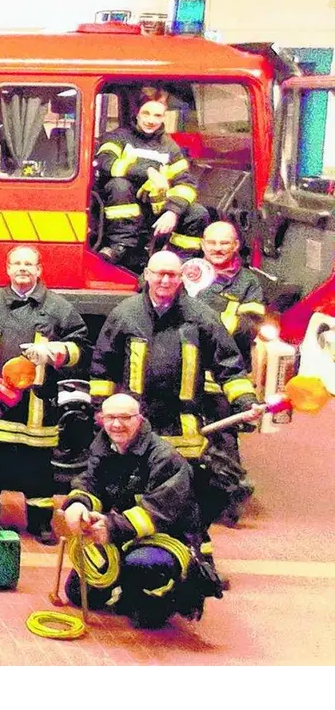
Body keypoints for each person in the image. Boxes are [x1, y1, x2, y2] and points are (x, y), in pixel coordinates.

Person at [90, 250, 265, 565]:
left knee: (187, 501)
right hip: (135, 428)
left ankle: (199, 564)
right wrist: (103, 413)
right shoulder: (124, 315)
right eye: (159, 273)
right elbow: (103, 367)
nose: (165, 280)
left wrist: (245, 401)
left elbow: (229, 366)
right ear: (146, 274)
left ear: (182, 277)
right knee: (131, 494)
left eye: (172, 274)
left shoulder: (200, 317)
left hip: (181, 429)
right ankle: (126, 559)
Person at [0, 244, 90, 545]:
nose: (22, 269)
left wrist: (55, 351)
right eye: (16, 263)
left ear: (39, 270)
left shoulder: (59, 308)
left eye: (28, 264)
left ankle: (42, 521)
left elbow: (82, 347)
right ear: (7, 269)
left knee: (38, 466)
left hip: (38, 406)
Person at [60, 394, 224, 629]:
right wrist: (78, 505)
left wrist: (110, 527)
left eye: (125, 417)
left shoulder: (165, 458)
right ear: (101, 419)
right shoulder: (104, 447)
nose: (116, 424)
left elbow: (158, 512)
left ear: (139, 419)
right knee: (78, 594)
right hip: (123, 536)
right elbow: (90, 482)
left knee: (142, 581)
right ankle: (123, 583)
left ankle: (166, 597)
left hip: (165, 540)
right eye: (110, 417)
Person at [192, 220, 267, 524]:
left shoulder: (248, 283)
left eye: (225, 243)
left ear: (236, 246)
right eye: (212, 243)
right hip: (190, 372)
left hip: (224, 376)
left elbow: (248, 326)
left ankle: (229, 501)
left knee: (224, 439)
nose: (217, 249)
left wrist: (207, 323)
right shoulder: (190, 274)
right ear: (202, 245)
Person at [93, 86, 209, 270]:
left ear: (164, 118)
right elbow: (107, 164)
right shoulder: (117, 138)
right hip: (123, 208)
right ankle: (121, 246)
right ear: (137, 114)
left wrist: (173, 211)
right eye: (146, 113)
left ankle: (179, 262)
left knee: (198, 213)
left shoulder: (170, 147)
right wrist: (148, 172)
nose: (151, 120)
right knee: (119, 185)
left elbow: (186, 184)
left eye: (157, 116)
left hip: (157, 208)